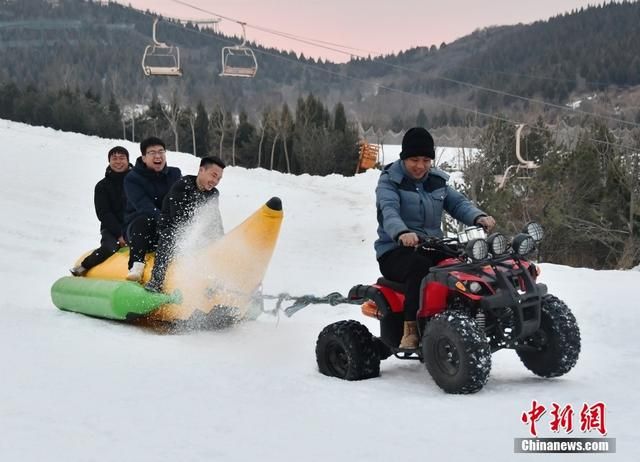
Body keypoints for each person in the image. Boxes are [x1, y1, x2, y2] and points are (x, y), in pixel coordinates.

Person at [375, 127, 496, 349]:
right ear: (404, 157)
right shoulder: (389, 182)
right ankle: (410, 329)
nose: (420, 166)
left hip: (432, 246)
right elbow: (389, 211)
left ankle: (473, 316)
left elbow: (458, 204)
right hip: (396, 251)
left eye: (426, 160)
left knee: (466, 263)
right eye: (414, 159)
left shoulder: (436, 181)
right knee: (419, 266)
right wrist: (402, 233)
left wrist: (478, 217)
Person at [145, 156, 226, 293]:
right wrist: (196, 235)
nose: (215, 181)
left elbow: (215, 220)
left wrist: (220, 240)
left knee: (216, 243)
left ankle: (215, 284)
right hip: (170, 228)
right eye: (213, 175)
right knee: (169, 238)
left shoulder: (213, 194)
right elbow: (179, 219)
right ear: (201, 170)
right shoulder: (183, 185)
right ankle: (156, 280)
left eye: (219, 179)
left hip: (196, 232)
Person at [123, 137, 181, 281]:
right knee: (145, 220)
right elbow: (144, 206)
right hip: (139, 230)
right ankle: (136, 265)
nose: (158, 156)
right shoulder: (132, 178)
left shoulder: (174, 174)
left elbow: (180, 200)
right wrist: (166, 221)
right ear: (143, 157)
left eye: (161, 151)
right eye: (152, 152)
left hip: (165, 229)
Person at [70, 146, 132, 276]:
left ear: (128, 160)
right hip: (111, 228)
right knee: (109, 248)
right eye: (114, 158)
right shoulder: (102, 186)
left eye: (122, 158)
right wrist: (119, 234)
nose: (118, 161)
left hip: (134, 225)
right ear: (109, 161)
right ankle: (84, 266)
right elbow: (104, 213)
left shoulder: (135, 181)